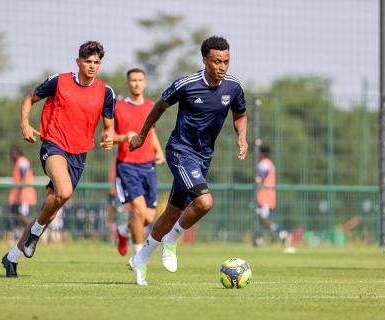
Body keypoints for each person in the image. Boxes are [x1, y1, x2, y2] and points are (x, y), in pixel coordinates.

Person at [127, 36, 248, 285]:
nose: (222, 67)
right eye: (216, 61)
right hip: (180, 151)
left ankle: (140, 259)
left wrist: (242, 136)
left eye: (226, 61)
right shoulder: (187, 84)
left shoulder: (234, 87)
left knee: (172, 213)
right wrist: (142, 134)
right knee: (204, 202)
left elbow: (240, 114)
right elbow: (159, 106)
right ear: (204, 60)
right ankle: (171, 240)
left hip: (204, 157)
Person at [1, 41, 115, 278]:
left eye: (96, 62)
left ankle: (12, 256)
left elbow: (108, 126)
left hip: (79, 153)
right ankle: (36, 232)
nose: (92, 66)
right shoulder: (59, 81)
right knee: (63, 193)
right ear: (78, 62)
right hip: (53, 145)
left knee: (50, 208)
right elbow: (28, 99)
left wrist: (108, 137)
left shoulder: (106, 92)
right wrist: (25, 124)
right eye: (88, 61)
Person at [112, 68, 166, 257]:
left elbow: (150, 132)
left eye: (140, 80)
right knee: (139, 210)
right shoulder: (118, 107)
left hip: (148, 165)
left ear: (145, 83)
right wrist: (124, 137)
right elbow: (107, 137)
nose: (136, 83)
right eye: (133, 80)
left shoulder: (151, 106)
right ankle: (138, 257)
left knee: (148, 216)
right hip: (127, 165)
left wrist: (158, 151)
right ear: (127, 84)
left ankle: (123, 230)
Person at [7, 146, 37, 241]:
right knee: (17, 217)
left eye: (11, 154)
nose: (10, 157)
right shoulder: (18, 163)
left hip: (24, 196)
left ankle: (37, 230)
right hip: (18, 197)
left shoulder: (22, 162)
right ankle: (19, 237)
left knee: (24, 216)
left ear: (15, 154)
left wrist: (20, 192)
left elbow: (23, 178)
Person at [254, 144, 277, 246]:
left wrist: (257, 180)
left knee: (263, 218)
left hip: (265, 197)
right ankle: (259, 238)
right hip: (268, 196)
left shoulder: (264, 163)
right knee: (260, 218)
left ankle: (281, 233)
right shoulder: (270, 163)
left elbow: (261, 176)